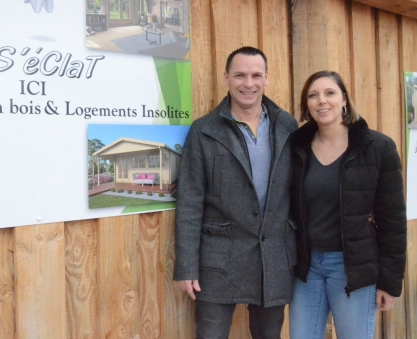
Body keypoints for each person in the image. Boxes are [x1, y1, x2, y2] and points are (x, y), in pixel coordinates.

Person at [174, 46, 298, 339]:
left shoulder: (287, 126)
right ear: (227, 77)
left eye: (256, 75)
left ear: (267, 78)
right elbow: (189, 202)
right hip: (219, 259)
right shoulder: (204, 131)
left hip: (273, 256)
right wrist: (186, 266)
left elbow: (304, 188)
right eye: (240, 75)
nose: (248, 83)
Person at [289, 71, 407, 339]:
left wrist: (390, 283)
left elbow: (393, 221)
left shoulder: (377, 147)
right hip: (307, 269)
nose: (322, 101)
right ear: (306, 105)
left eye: (330, 93)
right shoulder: (296, 147)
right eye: (313, 95)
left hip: (353, 268)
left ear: (344, 100)